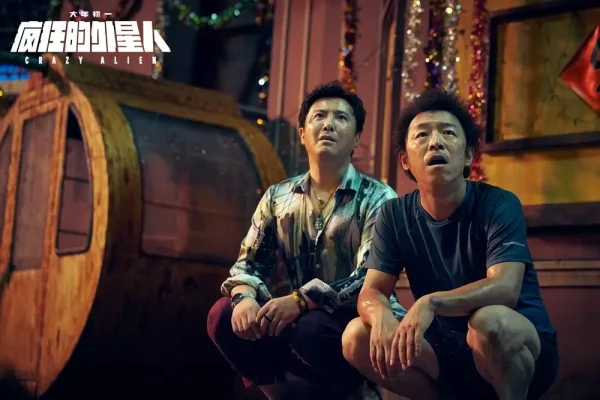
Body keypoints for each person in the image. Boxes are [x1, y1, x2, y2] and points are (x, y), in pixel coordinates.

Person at [341, 88, 559, 400]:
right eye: (422, 135)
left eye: (448, 133)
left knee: (487, 323)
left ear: (468, 155)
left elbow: (506, 287)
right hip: (448, 349)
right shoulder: (394, 215)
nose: (436, 142)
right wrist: (381, 317)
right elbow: (372, 290)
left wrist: (431, 302)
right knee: (356, 337)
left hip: (518, 346)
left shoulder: (499, 203)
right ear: (404, 159)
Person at [206, 81, 404, 399]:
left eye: (341, 117)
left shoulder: (379, 197)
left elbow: (368, 278)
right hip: (300, 320)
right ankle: (278, 395)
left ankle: (357, 393)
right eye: (319, 116)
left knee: (312, 329)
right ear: (302, 133)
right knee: (223, 315)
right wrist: (244, 297)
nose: (328, 124)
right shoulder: (278, 197)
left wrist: (300, 300)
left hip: (355, 319)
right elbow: (247, 266)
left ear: (356, 138)